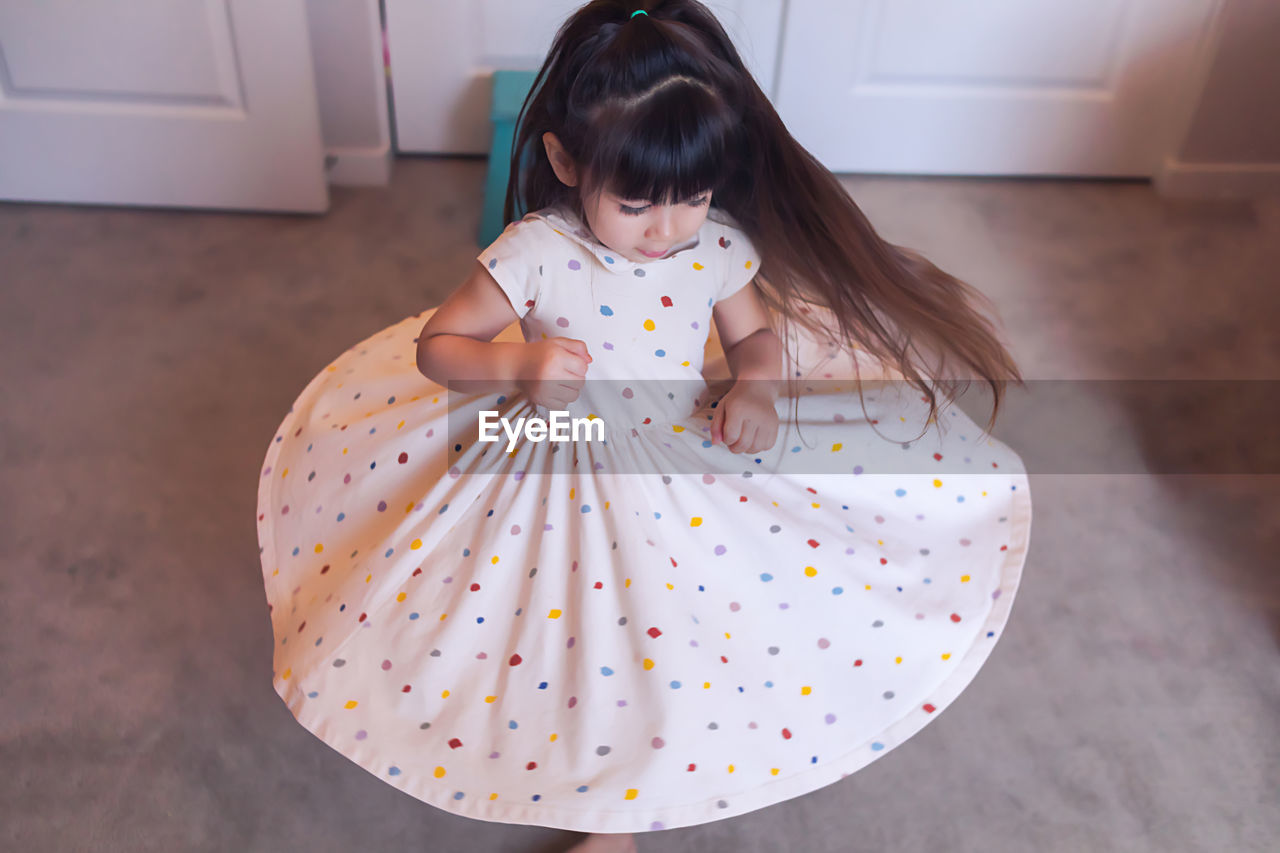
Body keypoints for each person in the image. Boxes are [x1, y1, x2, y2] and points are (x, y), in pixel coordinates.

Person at [255, 2, 1033, 850]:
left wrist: (757, 389)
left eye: (692, 197)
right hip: (553, 451)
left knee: (679, 622)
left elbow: (754, 334)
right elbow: (440, 348)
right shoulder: (535, 250)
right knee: (549, 622)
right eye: (636, 203)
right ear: (562, 157)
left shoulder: (716, 245)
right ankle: (589, 802)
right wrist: (516, 366)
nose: (667, 230)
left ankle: (630, 798)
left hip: (675, 446)